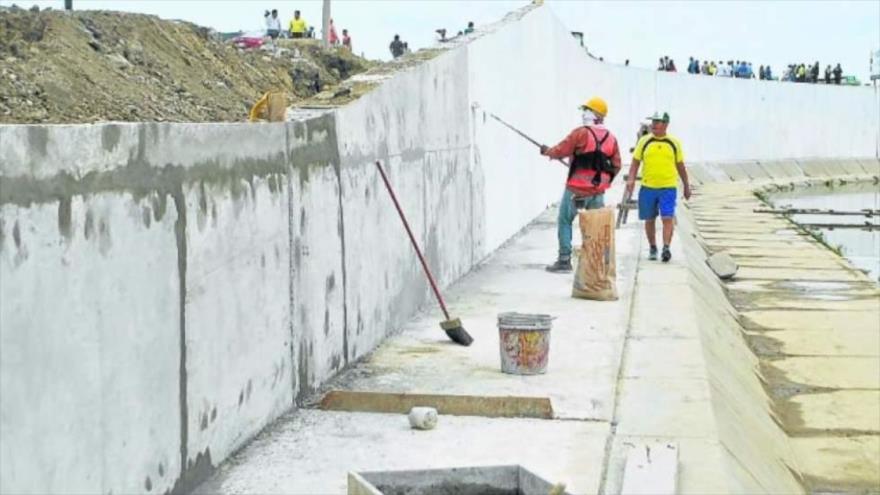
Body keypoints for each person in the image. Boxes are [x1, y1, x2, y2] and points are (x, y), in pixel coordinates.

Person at [539, 97, 621, 272]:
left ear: (592, 114)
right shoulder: (611, 138)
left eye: (586, 110)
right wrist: (603, 181)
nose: (583, 113)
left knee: (565, 220)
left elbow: (561, 150)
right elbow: (616, 165)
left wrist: (548, 152)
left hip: (576, 190)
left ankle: (564, 260)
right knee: (594, 225)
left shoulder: (580, 133)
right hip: (597, 192)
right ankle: (594, 261)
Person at [624, 112, 690, 263]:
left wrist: (686, 185)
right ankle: (653, 247)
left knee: (667, 217)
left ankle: (666, 248)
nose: (654, 124)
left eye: (658, 122)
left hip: (668, 187)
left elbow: (680, 166)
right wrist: (631, 180)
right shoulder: (644, 142)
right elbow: (635, 162)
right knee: (649, 219)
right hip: (648, 187)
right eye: (653, 121)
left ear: (666, 124)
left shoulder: (674, 143)